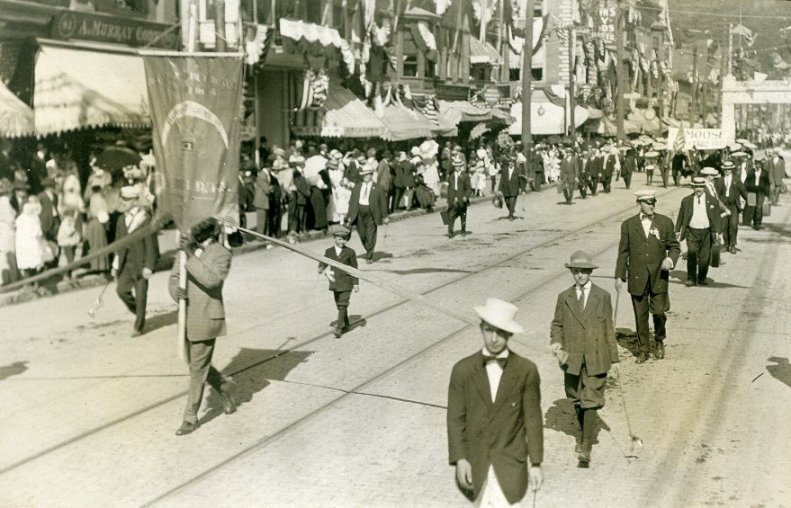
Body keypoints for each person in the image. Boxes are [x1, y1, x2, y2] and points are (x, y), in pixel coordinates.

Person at [447, 298, 544, 505]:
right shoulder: (463, 370)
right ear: (481, 328)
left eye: (500, 332)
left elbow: (533, 420)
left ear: (509, 334)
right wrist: (460, 458)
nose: (493, 339)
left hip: (510, 466)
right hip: (476, 465)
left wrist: (535, 463)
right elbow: (455, 419)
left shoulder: (526, 370)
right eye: (489, 330)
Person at [551, 250, 619, 466]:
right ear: (572, 272)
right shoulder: (564, 297)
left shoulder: (603, 296)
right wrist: (556, 342)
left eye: (583, 271)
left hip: (596, 357)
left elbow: (609, 328)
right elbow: (557, 324)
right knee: (575, 398)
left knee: (590, 400)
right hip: (571, 357)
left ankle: (586, 445)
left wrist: (614, 359)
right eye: (576, 272)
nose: (580, 275)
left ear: (590, 272)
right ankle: (585, 432)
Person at [170, 218, 236, 436]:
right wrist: (175, 292)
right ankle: (224, 386)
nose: (191, 231)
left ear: (209, 230)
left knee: (197, 368)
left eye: (196, 227)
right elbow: (174, 278)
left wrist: (189, 254)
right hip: (186, 316)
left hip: (207, 317)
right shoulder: (186, 249)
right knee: (195, 362)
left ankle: (190, 418)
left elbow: (211, 280)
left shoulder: (222, 253)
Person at [615, 190, 681, 363]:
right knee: (640, 314)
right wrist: (619, 275)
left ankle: (659, 340)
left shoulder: (665, 222)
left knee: (659, 312)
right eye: (647, 202)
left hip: (659, 276)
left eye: (653, 202)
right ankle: (643, 348)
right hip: (637, 276)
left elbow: (674, 246)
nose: (652, 205)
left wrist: (669, 260)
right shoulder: (628, 225)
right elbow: (623, 252)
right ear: (639, 203)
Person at [112, 186, 158, 337]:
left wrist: (149, 266)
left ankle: (139, 325)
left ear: (135, 200)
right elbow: (119, 243)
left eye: (126, 199)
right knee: (121, 290)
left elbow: (151, 244)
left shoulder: (145, 218)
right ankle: (139, 311)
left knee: (141, 293)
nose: (123, 202)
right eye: (122, 199)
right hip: (126, 263)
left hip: (141, 263)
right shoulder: (120, 220)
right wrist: (115, 263)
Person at [675, 177, 721, 287]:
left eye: (700, 187)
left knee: (704, 257)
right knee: (691, 254)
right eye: (696, 187)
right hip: (692, 232)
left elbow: (716, 217)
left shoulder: (712, 200)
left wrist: (717, 232)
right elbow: (681, 216)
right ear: (693, 187)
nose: (698, 189)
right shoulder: (686, 201)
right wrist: (677, 230)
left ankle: (702, 277)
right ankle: (691, 278)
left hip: (707, 232)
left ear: (704, 187)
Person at [317, 225, 359, 338]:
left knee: (343, 304)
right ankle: (346, 324)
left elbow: (355, 268)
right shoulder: (329, 251)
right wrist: (321, 267)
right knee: (339, 305)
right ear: (334, 238)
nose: (342, 241)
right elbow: (324, 261)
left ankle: (339, 327)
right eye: (340, 239)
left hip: (346, 282)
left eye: (344, 239)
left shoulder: (350, 252)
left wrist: (355, 283)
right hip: (335, 282)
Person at [347, 166, 388, 263]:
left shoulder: (378, 187)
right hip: (359, 213)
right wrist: (349, 216)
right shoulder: (357, 187)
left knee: (371, 235)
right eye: (363, 175)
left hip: (371, 214)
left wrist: (385, 216)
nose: (365, 176)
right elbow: (352, 202)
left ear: (371, 175)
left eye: (367, 174)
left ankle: (369, 256)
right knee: (362, 235)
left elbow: (383, 202)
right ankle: (369, 248)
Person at [715, 161, 748, 254]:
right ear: (723, 170)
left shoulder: (736, 180)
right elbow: (716, 194)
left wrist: (750, 200)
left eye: (729, 169)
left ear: (732, 170)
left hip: (734, 206)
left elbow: (743, 191)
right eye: (725, 169)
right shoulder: (720, 180)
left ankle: (733, 245)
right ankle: (726, 244)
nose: (727, 171)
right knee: (724, 226)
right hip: (723, 207)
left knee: (733, 225)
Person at [446, 155, 471, 238]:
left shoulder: (465, 176)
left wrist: (466, 196)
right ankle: (450, 231)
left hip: (462, 198)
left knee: (463, 215)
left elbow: (468, 188)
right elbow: (449, 188)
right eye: (456, 166)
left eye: (459, 166)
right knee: (451, 215)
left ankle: (463, 230)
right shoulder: (451, 177)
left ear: (461, 166)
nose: (457, 167)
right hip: (453, 198)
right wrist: (448, 199)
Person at [0, 179, 19, 285]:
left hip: (3, 231)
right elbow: (10, 220)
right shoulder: (4, 202)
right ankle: (14, 279)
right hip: (8, 231)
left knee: (5, 256)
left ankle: (6, 279)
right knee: (11, 255)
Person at [745, 159, 771, 230]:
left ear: (761, 165)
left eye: (759, 164)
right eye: (756, 164)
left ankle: (758, 224)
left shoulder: (765, 173)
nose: (757, 166)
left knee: (759, 208)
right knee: (752, 207)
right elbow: (746, 182)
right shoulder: (751, 172)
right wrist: (746, 192)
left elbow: (767, 184)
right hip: (752, 191)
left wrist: (767, 195)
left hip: (761, 192)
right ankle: (754, 221)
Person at [498, 153, 521, 220]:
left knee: (512, 201)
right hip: (506, 188)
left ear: (514, 163)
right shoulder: (505, 170)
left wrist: (522, 189)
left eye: (513, 163)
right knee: (507, 202)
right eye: (510, 162)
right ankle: (511, 210)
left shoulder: (517, 170)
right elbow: (502, 179)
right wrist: (500, 189)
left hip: (514, 188)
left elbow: (520, 180)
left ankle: (510, 215)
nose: (511, 164)